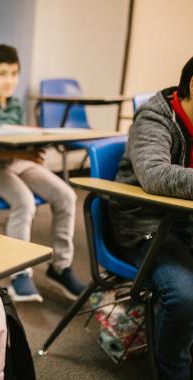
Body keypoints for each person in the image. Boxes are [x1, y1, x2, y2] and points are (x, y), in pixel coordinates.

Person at [0, 44, 85, 302]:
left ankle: (60, 266)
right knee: (25, 201)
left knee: (66, 195)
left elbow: (19, 139)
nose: (10, 80)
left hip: (18, 163)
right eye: (2, 73)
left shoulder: (17, 105)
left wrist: (33, 146)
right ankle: (20, 273)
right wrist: (21, 153)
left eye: (14, 73)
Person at [110, 56, 193, 380]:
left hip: (185, 222)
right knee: (185, 296)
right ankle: (175, 370)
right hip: (148, 225)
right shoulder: (155, 117)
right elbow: (155, 175)